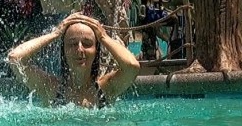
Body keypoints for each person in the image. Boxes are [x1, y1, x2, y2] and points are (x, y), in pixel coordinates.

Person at [7, 12, 141, 108]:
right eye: (72, 44)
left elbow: (132, 66)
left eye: (87, 44)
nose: (80, 50)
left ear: (96, 50)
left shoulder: (107, 88)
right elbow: (15, 58)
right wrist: (55, 34)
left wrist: (104, 37)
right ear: (64, 51)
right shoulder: (50, 88)